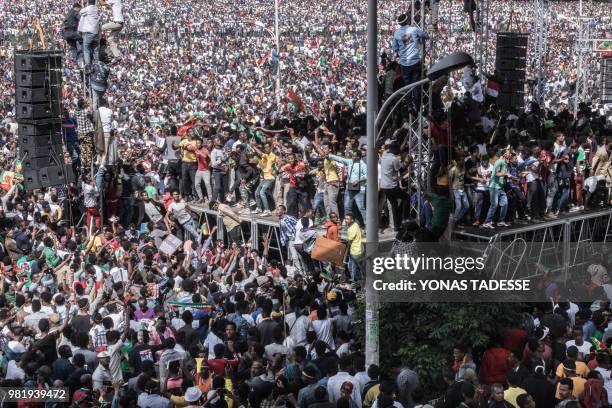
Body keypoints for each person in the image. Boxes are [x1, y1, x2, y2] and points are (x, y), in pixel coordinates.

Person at [392, 13, 428, 112]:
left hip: (404, 64)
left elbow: (395, 48)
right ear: (407, 21)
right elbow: (426, 35)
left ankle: (409, 106)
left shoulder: (396, 33)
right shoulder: (414, 30)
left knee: (407, 86)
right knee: (416, 85)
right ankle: (417, 106)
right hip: (415, 62)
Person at [482, 150, 511, 229]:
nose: (510, 154)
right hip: (494, 187)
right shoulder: (499, 162)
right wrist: (505, 174)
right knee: (494, 205)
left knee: (505, 203)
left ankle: (501, 221)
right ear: (504, 154)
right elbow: (496, 173)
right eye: (508, 153)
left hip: (500, 187)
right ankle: (487, 222)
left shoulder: (504, 162)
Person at [77, 0, 101, 71]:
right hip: (96, 31)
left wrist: (84, 5)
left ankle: (87, 65)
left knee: (86, 48)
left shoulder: (88, 9)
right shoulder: (96, 9)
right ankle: (97, 64)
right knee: (95, 49)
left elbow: (80, 12)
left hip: (89, 31)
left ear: (88, 2)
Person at [99, 0, 124, 64]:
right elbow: (107, 6)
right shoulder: (118, 2)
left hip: (116, 23)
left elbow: (102, 3)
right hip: (120, 24)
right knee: (110, 39)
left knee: (100, 28)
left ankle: (95, 43)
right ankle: (117, 56)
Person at [345, 214, 363, 285]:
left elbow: (350, 241)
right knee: (350, 267)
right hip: (357, 249)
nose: (346, 220)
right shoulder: (355, 224)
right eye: (345, 219)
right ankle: (359, 279)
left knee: (353, 269)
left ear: (352, 220)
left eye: (347, 219)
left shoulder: (351, 229)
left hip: (355, 251)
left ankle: (354, 283)